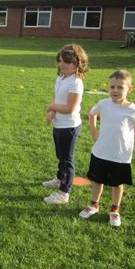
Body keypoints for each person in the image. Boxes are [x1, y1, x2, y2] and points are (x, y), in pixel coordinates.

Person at [79, 69, 135, 226]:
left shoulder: (132, 109)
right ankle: (93, 205)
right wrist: (94, 132)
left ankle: (114, 210)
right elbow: (92, 114)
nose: (115, 91)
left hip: (120, 155)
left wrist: (132, 134)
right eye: (112, 87)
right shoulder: (103, 104)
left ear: (129, 89)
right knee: (97, 181)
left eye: (120, 87)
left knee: (117, 184)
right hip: (101, 152)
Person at [43, 44, 89, 204]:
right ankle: (59, 178)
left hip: (69, 126)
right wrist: (52, 112)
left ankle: (64, 193)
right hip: (58, 124)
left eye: (67, 62)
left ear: (77, 64)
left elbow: (70, 108)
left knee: (67, 160)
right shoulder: (61, 77)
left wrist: (51, 107)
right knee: (60, 156)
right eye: (60, 61)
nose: (62, 64)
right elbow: (57, 98)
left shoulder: (76, 83)